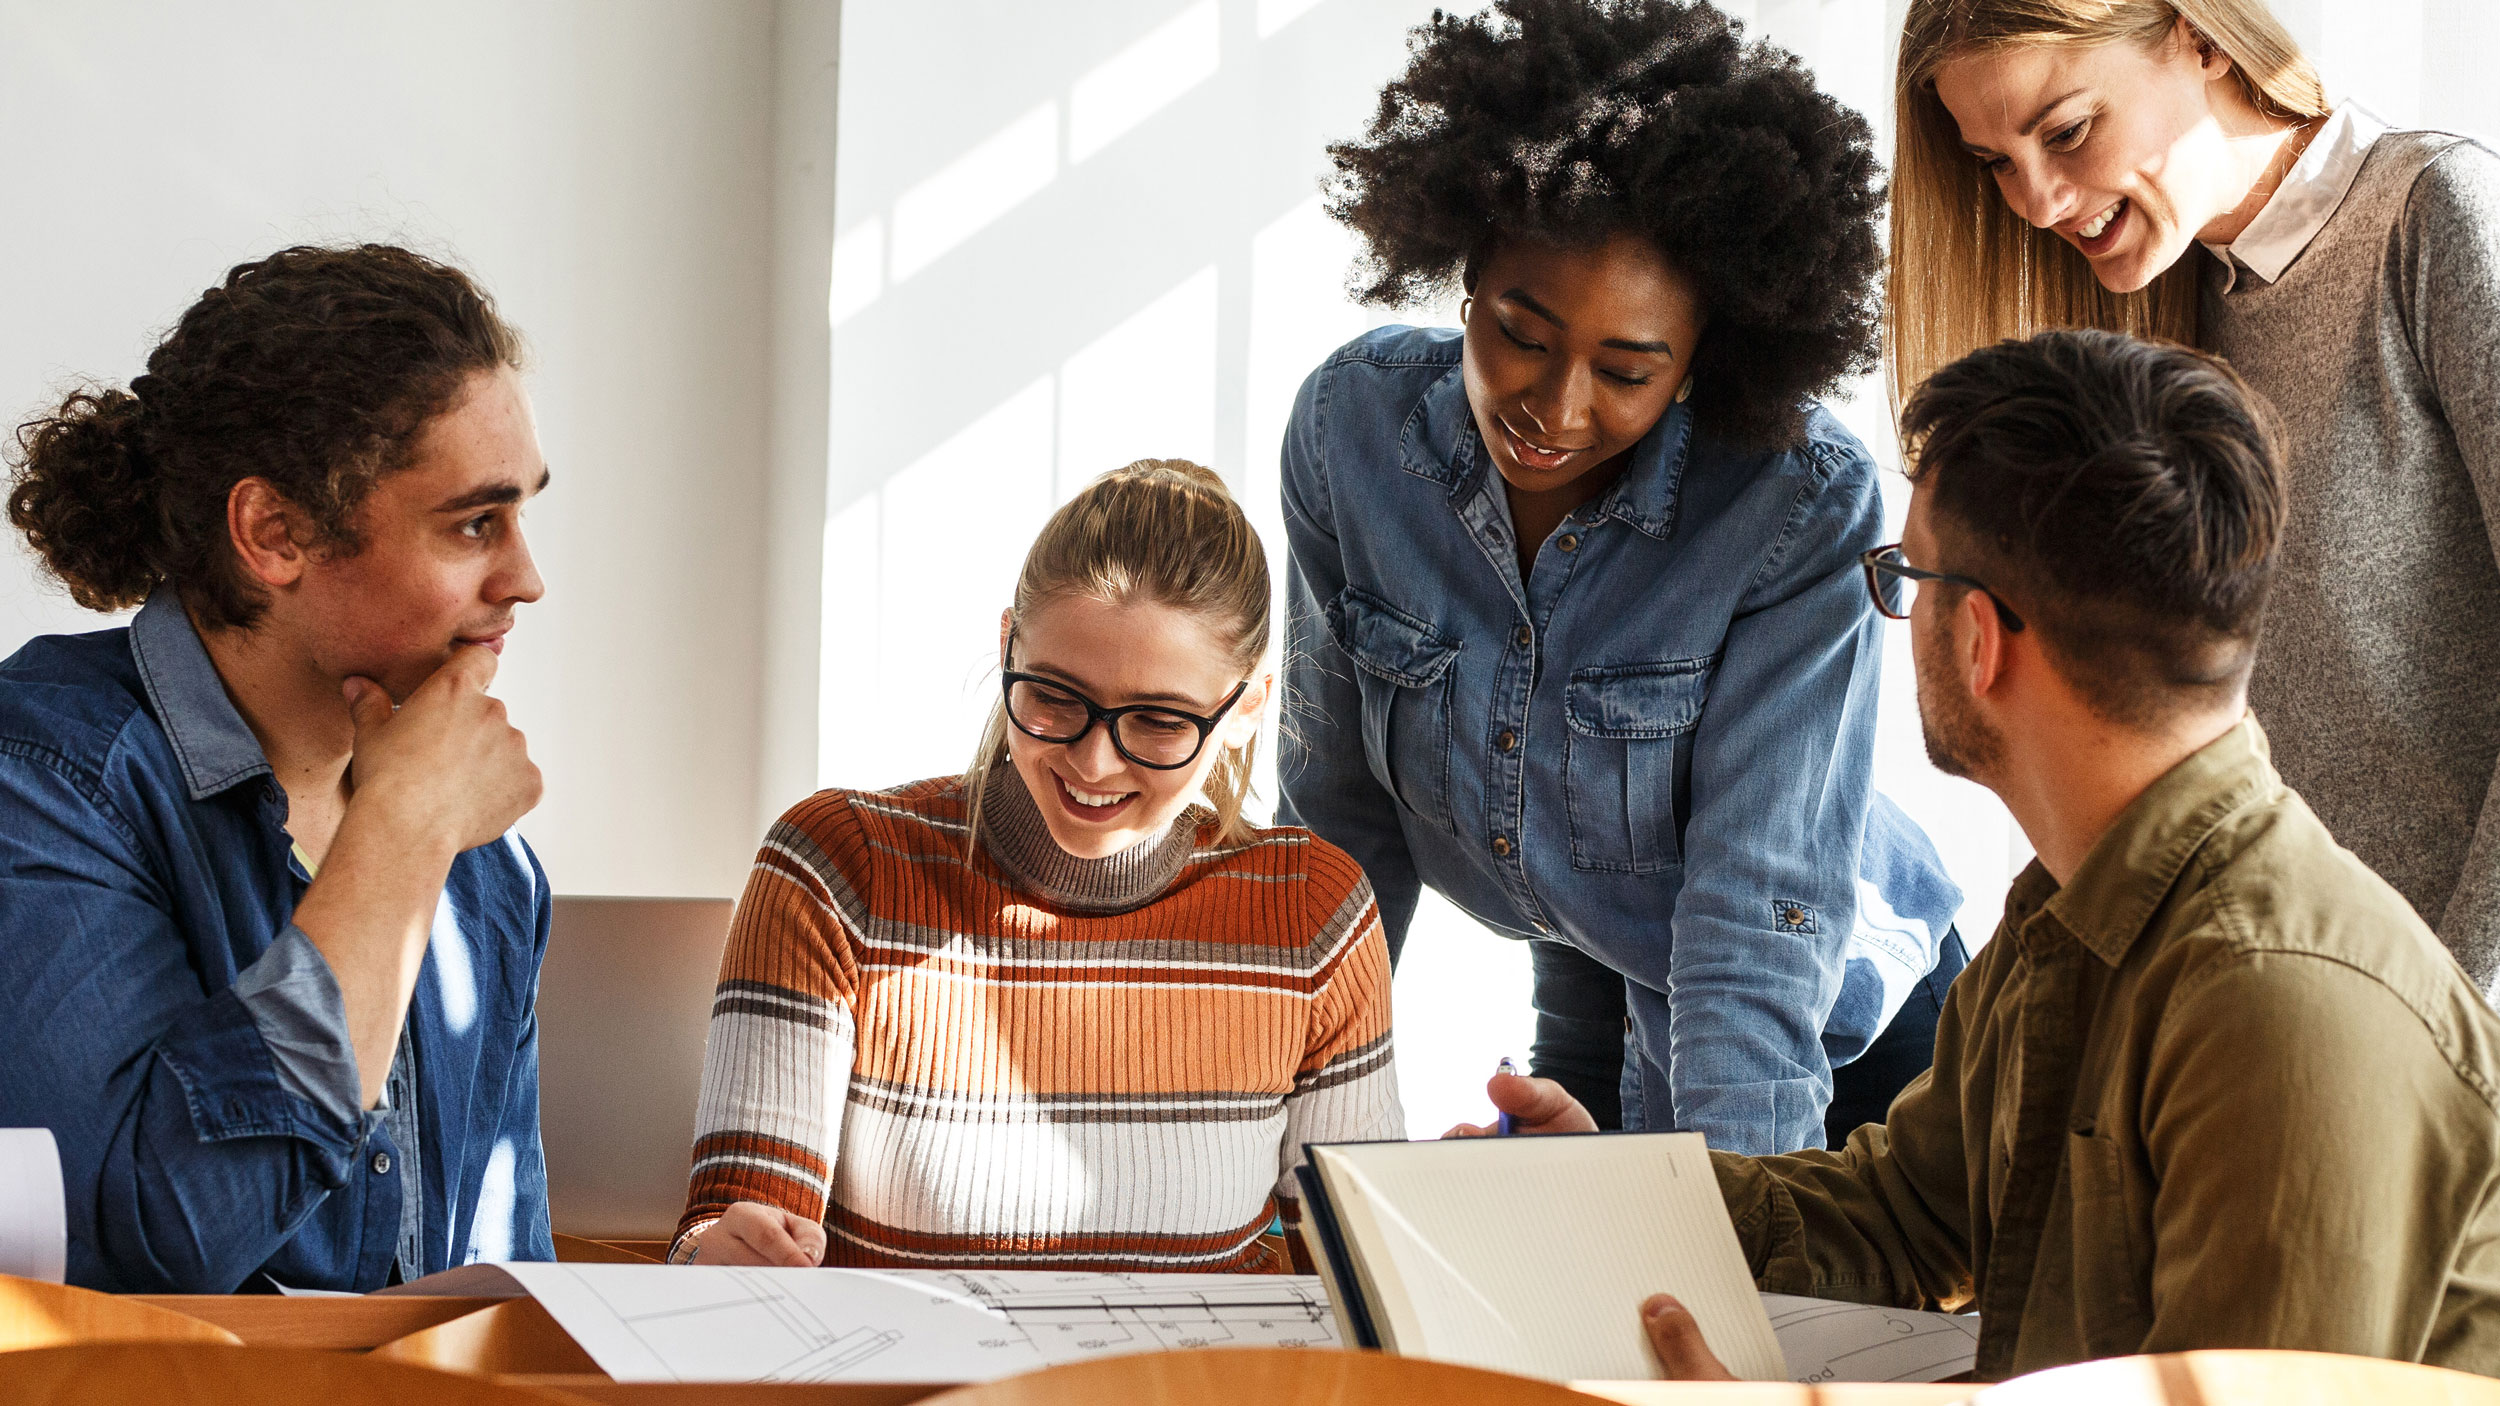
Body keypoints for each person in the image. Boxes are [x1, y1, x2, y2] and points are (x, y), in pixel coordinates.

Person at [1461, 330, 2500, 1380]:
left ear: (1979, 640)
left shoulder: (2283, 1009)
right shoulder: (2072, 909)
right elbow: (1902, 1213)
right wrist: (1601, 1201)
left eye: (1902, 577)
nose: (1894, 616)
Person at [1279, 0, 1965, 1156]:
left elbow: (1752, 919)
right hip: (1594, 965)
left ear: (1703, 359)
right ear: (1467, 273)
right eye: (1521, 333)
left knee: (1723, 1314)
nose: (1554, 408)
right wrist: (1297, 1139)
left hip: (1832, 1041)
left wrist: (1743, 1239)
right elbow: (1336, 828)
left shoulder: (1795, 502)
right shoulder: (1353, 430)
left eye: (1628, 370)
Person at [1890, 0, 2500, 994]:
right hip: (2255, 1007)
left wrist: (2456, 1017)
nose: (2037, 202)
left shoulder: (2435, 221)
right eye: (1997, 162)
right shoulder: (2167, 315)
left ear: (2203, 35)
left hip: (2426, 1050)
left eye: (2066, 130)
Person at [674, 459, 1400, 1271]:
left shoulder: (1313, 914)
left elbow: (1357, 1287)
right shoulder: (839, 870)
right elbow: (725, 1245)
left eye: (1159, 721)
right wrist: (718, 1262)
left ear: (1248, 706)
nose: (1093, 761)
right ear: (1006, 646)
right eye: (1054, 696)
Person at [0, 245, 556, 1292]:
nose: (526, 578)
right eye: (475, 522)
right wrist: (397, 843)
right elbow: (144, 1239)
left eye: (524, 513)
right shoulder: (44, 779)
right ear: (275, 531)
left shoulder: (489, 866)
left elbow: (504, 1286)